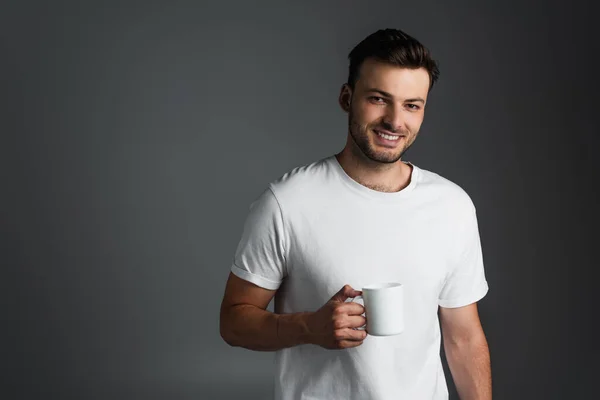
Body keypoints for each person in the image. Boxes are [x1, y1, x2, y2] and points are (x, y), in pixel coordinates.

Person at [219, 28, 491, 400]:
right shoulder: (287, 203)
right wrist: (306, 328)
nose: (395, 121)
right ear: (347, 98)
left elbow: (463, 336)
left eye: (412, 105)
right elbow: (234, 321)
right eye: (379, 99)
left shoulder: (452, 206)